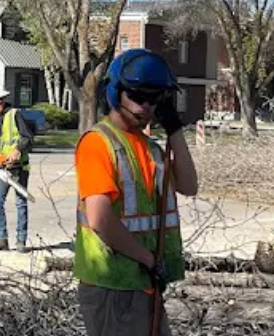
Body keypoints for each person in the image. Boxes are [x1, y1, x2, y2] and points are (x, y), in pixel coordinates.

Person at [74, 48, 199, 336]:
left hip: (143, 284)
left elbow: (189, 185)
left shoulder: (149, 148)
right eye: (138, 96)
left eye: (155, 98)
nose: (146, 106)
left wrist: (174, 130)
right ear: (116, 93)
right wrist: (148, 259)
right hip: (112, 285)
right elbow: (99, 219)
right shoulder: (98, 143)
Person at [0, 86, 34, 253]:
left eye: (1, 99)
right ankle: (1, 239)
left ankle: (21, 240)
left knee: (20, 202)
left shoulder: (15, 114)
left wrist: (18, 149)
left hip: (20, 167)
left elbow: (27, 136)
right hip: (3, 168)